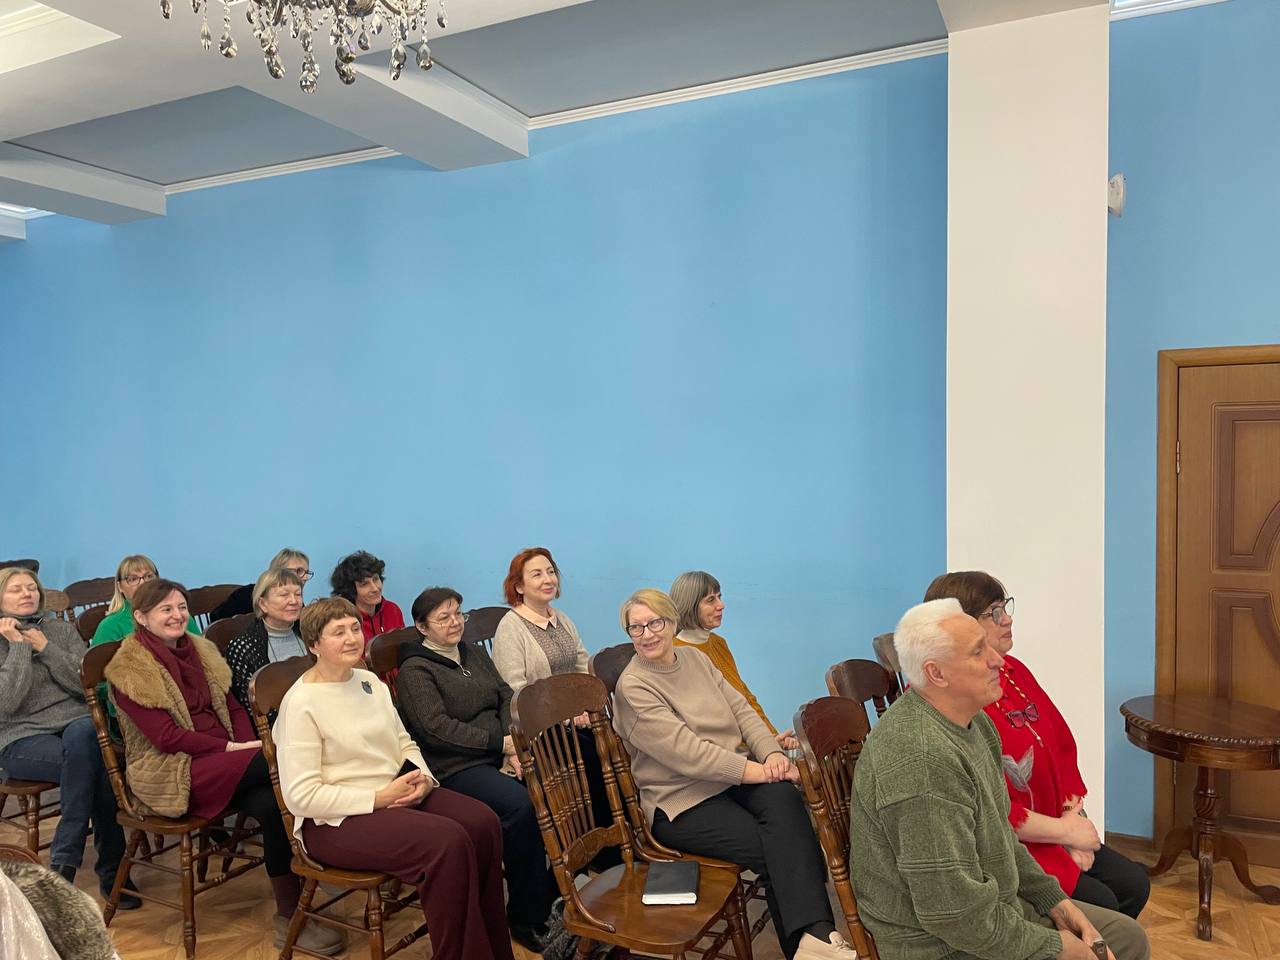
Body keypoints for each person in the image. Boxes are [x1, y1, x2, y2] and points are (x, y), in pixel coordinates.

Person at [848, 599, 1149, 960]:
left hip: (992, 911)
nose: (999, 661)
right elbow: (954, 916)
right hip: (939, 945)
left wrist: (1053, 900)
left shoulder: (975, 723)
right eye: (979, 652)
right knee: (1116, 945)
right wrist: (1056, 947)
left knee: (1127, 937)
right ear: (937, 673)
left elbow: (1001, 836)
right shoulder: (922, 759)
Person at [611, 588, 855, 960]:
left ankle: (815, 942)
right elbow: (689, 755)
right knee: (777, 847)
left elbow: (742, 712)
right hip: (680, 802)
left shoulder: (695, 659)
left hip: (728, 779)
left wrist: (772, 755)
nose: (647, 634)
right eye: (636, 628)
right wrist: (764, 771)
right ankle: (816, 941)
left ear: (672, 622)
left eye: (655, 623)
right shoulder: (633, 687)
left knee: (786, 801)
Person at [104, 579, 343, 955]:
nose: (177, 615)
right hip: (172, 770)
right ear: (141, 617)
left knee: (272, 803)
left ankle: (290, 914)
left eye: (181, 607)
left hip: (227, 758)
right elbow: (166, 738)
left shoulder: (200, 650)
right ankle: (330, 855)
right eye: (166, 609)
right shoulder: (130, 668)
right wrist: (235, 748)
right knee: (285, 760)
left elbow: (232, 705)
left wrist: (249, 744)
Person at [276, 597, 516, 960]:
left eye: (354, 628)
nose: (352, 638)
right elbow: (301, 797)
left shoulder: (368, 682)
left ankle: (494, 951)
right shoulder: (301, 703)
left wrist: (424, 777)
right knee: (446, 842)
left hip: (394, 791)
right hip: (335, 821)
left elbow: (404, 741)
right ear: (314, 645)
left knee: (483, 822)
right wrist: (380, 798)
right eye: (338, 632)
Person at [923, 572, 1150, 920]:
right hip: (1012, 846)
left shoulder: (1014, 671)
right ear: (960, 626)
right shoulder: (954, 699)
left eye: (1005, 607)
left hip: (1055, 829)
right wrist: (1066, 834)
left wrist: (1075, 820)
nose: (1007, 619)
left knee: (1134, 884)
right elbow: (989, 807)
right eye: (993, 612)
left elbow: (1061, 745)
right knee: (1104, 901)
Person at [396, 586, 558, 954]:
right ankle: (524, 916)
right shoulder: (415, 671)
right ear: (422, 627)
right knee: (520, 806)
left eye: (458, 614)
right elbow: (435, 729)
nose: (455, 622)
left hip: (498, 750)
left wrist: (510, 745)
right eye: (443, 618)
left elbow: (505, 695)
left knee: (561, 780)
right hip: (455, 765)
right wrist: (498, 745)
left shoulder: (472, 652)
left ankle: (554, 892)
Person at [0, 567, 138, 909]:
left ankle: (64, 867)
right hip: (21, 737)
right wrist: (18, 648)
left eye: (32, 587)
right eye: (16, 589)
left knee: (86, 739)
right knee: (97, 762)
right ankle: (112, 872)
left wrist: (46, 648)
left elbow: (84, 684)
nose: (27, 593)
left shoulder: (59, 630)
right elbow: (7, 703)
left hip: (76, 728)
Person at [491, 547, 614, 838]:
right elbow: (515, 693)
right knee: (593, 756)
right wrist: (568, 717)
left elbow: (583, 666)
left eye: (550, 572)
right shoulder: (511, 628)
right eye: (537, 574)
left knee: (615, 742)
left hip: (574, 719)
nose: (548, 579)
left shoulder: (561, 618)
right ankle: (600, 842)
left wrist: (588, 707)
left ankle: (620, 831)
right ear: (519, 586)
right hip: (537, 728)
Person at [670, 570, 797, 749]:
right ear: (689, 605)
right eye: (711, 600)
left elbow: (745, 698)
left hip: (753, 743)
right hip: (726, 753)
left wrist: (772, 737)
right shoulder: (675, 654)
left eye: (719, 597)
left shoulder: (719, 643)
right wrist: (764, 745)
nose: (721, 605)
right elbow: (706, 721)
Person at [225, 567, 305, 713]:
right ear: (263, 604)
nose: (294, 601)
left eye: (298, 594)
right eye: (284, 595)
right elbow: (251, 708)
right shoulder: (244, 646)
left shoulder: (309, 632)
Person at [92, 554, 201, 645]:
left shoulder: (178, 615)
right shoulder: (110, 626)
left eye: (149, 576)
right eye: (133, 579)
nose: (143, 583)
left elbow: (202, 652)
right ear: (120, 586)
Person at [208, 548, 314, 623]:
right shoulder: (245, 595)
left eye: (306, 572)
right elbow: (216, 619)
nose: (305, 577)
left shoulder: (295, 600)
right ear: (279, 571)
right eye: (299, 571)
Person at [329, 551, 403, 647]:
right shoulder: (344, 620)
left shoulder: (392, 609)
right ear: (351, 590)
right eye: (364, 584)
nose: (375, 589)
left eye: (376, 579)